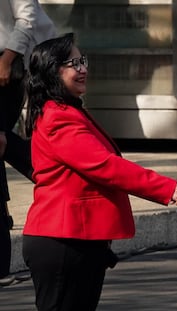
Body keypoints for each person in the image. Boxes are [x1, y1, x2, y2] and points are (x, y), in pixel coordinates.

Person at [21, 32, 177, 311]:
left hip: (78, 240)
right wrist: (169, 189)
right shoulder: (59, 117)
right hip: (62, 240)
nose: (83, 69)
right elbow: (106, 166)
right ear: (53, 71)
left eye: (83, 61)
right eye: (73, 63)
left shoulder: (67, 110)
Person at [0, 0, 56, 287]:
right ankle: (50, 170)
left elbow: (27, 17)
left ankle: (50, 170)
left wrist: (7, 59)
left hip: (8, 63)